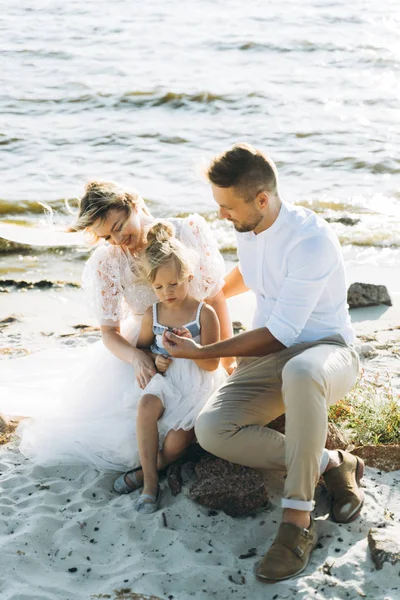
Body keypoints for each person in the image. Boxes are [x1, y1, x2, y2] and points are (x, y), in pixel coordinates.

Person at [163, 143, 363, 583]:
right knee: (212, 429)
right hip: (275, 362)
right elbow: (250, 276)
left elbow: (281, 334)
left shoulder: (311, 240)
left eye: (226, 206)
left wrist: (201, 353)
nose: (220, 215)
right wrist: (201, 295)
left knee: (302, 369)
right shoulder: (248, 227)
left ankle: (297, 522)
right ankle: (332, 463)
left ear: (261, 199)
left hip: (328, 352)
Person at [0, 181, 232, 475]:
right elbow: (109, 332)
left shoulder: (186, 232)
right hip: (144, 346)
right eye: (107, 236)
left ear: (134, 205)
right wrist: (137, 357)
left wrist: (228, 359)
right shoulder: (107, 261)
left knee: (185, 430)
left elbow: (215, 298)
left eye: (120, 226)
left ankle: (158, 464)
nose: (118, 239)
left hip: (198, 342)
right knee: (121, 438)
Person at [114, 221, 225, 513]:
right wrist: (155, 359)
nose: (167, 292)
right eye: (159, 286)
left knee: (176, 444)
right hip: (167, 378)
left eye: (174, 284)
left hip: (197, 383)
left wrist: (192, 351)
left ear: (189, 275)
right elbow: (143, 349)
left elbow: (212, 363)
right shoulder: (154, 313)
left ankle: (143, 472)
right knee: (146, 405)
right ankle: (150, 486)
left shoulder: (204, 313)